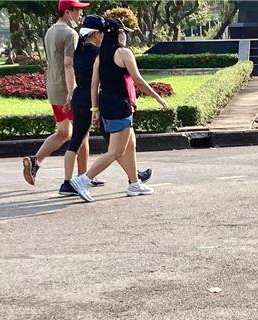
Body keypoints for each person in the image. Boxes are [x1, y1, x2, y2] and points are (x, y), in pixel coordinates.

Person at [70, 18, 168, 202]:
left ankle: (134, 183)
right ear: (116, 33)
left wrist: (95, 109)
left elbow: (94, 86)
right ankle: (84, 180)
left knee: (130, 145)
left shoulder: (100, 56)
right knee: (115, 152)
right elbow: (138, 80)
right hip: (120, 106)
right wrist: (158, 97)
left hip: (106, 105)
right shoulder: (124, 53)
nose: (125, 36)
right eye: (123, 32)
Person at [21, 0, 88, 186]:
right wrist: (72, 92)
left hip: (53, 87)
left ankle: (35, 160)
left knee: (63, 132)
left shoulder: (50, 31)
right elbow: (68, 64)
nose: (80, 14)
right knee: (82, 133)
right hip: (67, 89)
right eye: (78, 10)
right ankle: (83, 177)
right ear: (68, 12)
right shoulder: (70, 34)